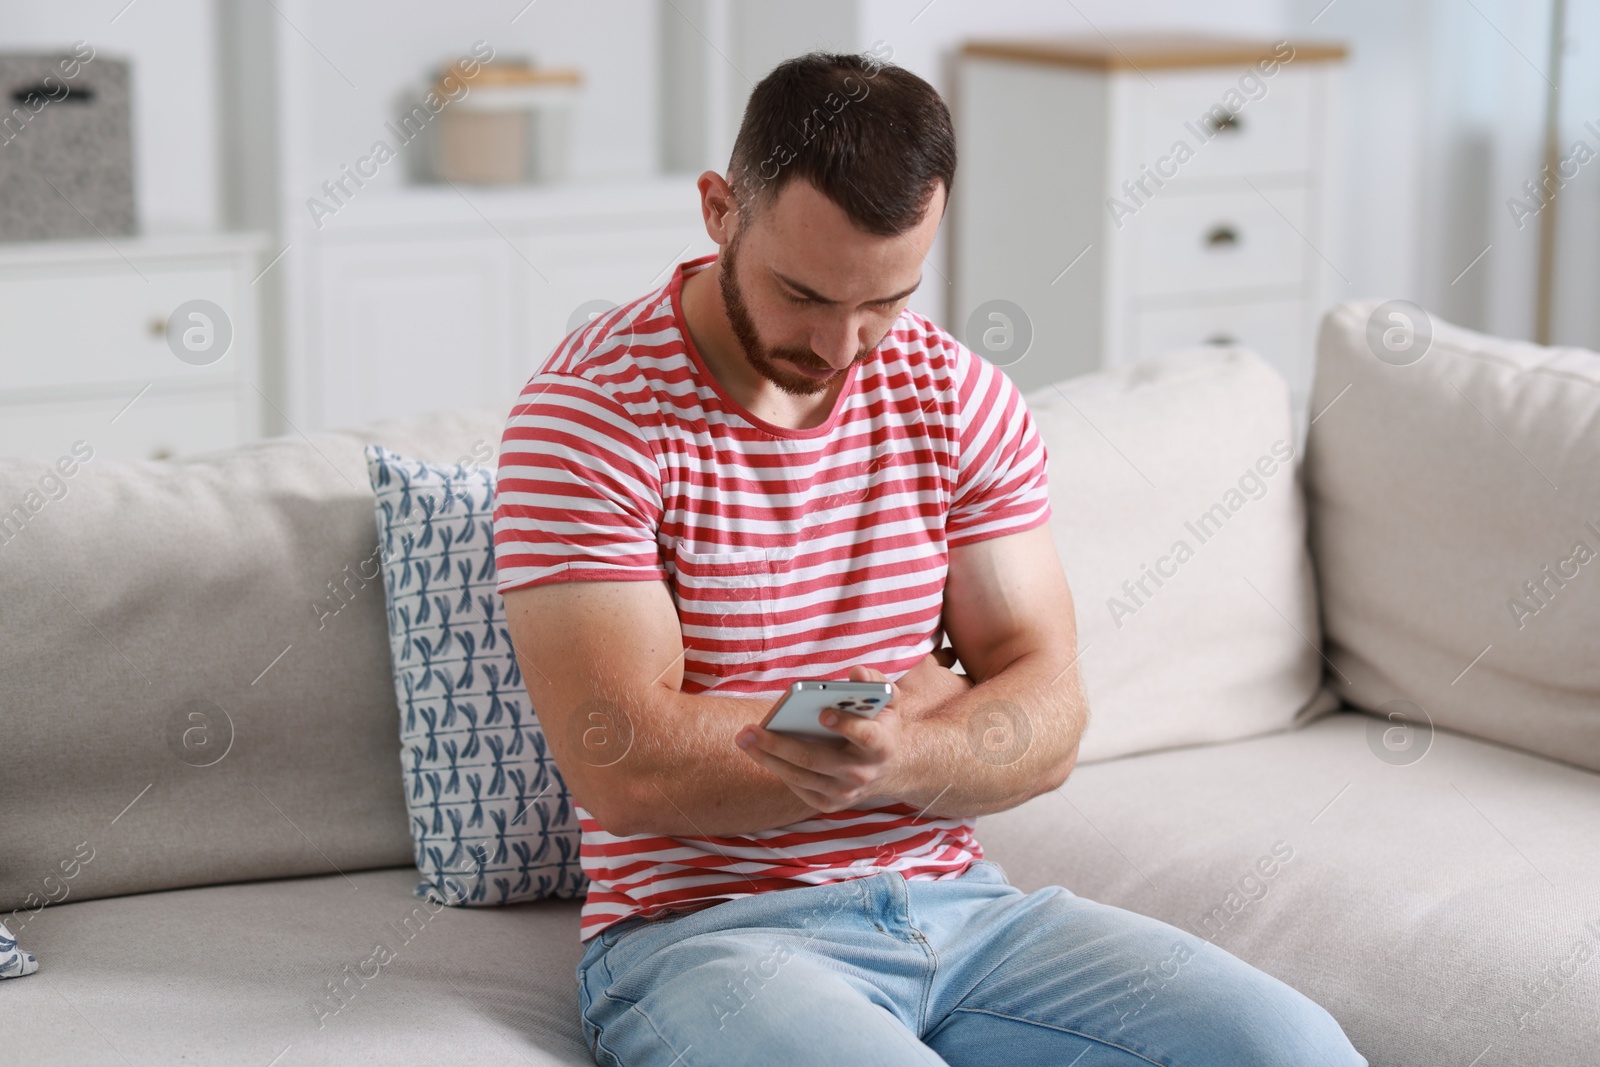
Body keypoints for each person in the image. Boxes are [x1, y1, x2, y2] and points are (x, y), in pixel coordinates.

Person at [493, 49, 1366, 1067]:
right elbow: (624, 758)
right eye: (803, 294)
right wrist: (884, 712)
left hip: (961, 910)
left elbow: (1049, 716)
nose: (839, 348)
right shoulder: (590, 419)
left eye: (885, 302)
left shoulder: (955, 396)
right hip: (705, 937)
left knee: (1295, 1048)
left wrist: (904, 753)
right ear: (720, 209)